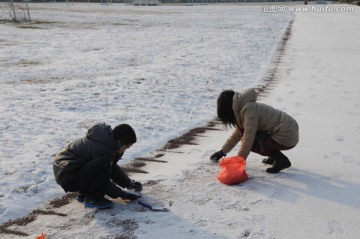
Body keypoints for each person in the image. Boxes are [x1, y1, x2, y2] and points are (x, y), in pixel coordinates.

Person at [53, 123, 143, 209]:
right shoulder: (103, 148)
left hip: (68, 172)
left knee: (102, 165)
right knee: (102, 165)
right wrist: (122, 194)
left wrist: (128, 183)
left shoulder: (104, 141)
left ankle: (84, 194)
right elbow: (103, 178)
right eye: (126, 147)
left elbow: (111, 168)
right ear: (119, 142)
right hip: (68, 176)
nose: (125, 150)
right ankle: (92, 199)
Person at [210, 88, 299, 174]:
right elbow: (239, 132)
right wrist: (223, 151)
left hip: (287, 135)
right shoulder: (241, 107)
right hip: (284, 130)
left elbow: (248, 136)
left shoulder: (248, 110)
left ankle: (281, 159)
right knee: (251, 136)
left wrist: (239, 162)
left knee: (252, 142)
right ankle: (274, 155)